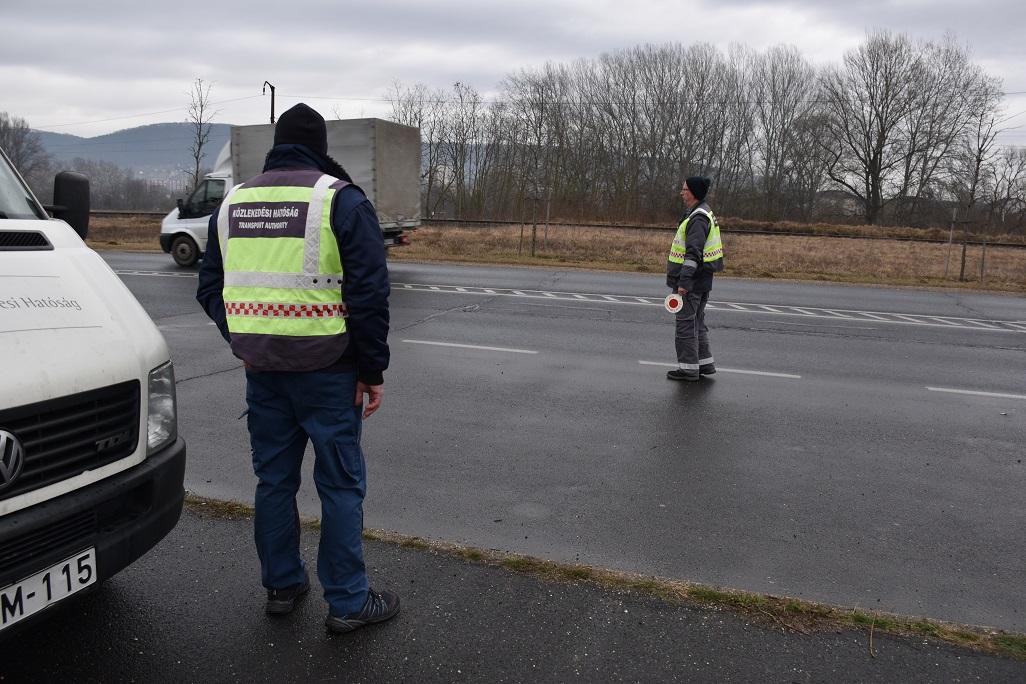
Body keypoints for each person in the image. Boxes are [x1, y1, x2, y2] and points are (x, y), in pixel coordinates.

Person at [196, 103, 399, 634]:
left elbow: (209, 287)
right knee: (339, 486)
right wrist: (371, 371)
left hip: (262, 370)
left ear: (276, 146)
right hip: (330, 368)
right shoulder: (340, 200)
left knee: (273, 482)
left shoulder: (233, 203)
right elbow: (371, 294)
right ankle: (349, 602)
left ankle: (282, 585)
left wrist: (243, 336)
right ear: (319, 146)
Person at [665, 176, 724, 381]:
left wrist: (683, 283)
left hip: (691, 282)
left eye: (684, 189)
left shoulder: (697, 218)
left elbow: (692, 254)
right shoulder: (704, 212)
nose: (681, 193)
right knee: (697, 322)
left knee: (685, 324)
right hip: (702, 280)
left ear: (693, 193)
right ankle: (704, 364)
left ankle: (688, 369)